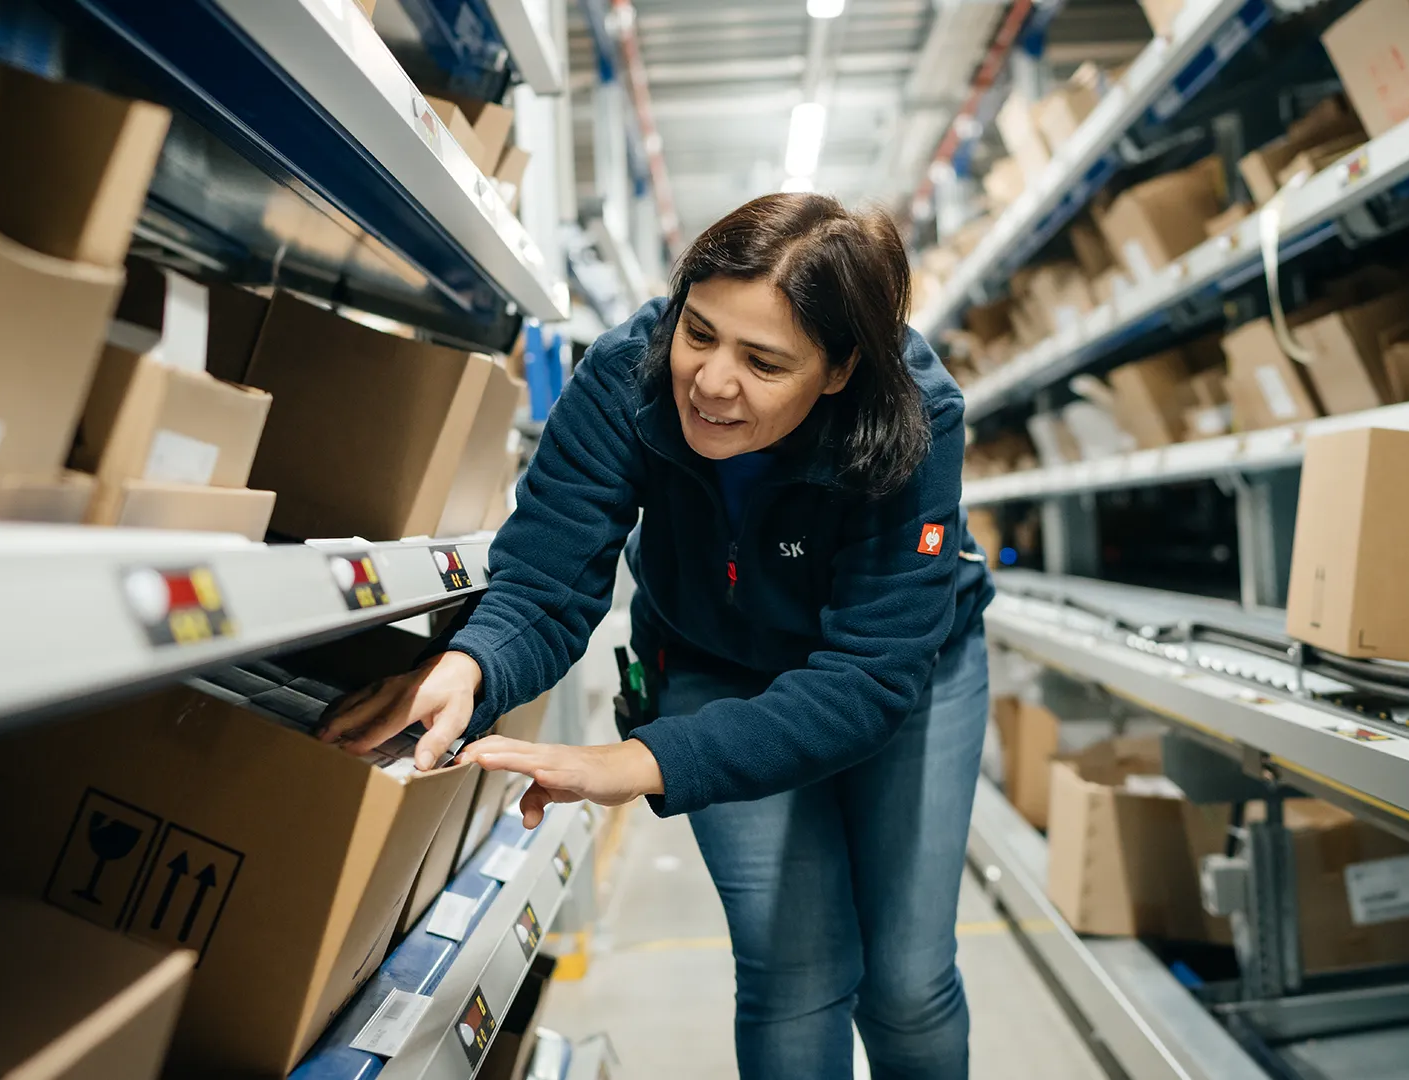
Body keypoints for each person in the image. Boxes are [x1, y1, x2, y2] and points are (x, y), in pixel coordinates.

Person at [320, 193, 994, 1079]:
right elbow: (551, 575)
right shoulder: (625, 374)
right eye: (700, 332)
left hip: (906, 681)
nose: (712, 382)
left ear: (839, 371)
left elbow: (866, 677)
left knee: (906, 982)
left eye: (763, 361)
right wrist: (469, 665)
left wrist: (639, 762)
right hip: (717, 665)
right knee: (793, 971)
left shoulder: (916, 416)